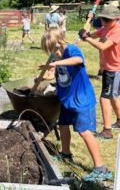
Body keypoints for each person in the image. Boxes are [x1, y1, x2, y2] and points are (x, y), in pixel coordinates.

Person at [41, 27, 112, 182]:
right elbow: (54, 73)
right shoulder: (56, 56)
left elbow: (78, 60)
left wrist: (57, 62)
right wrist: (44, 75)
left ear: (60, 42)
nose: (52, 53)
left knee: (84, 132)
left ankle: (101, 168)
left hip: (81, 99)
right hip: (67, 98)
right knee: (63, 125)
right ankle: (66, 154)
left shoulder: (72, 50)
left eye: (53, 48)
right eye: (49, 50)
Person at [79, 3, 120, 140]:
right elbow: (90, 36)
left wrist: (88, 38)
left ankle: (107, 131)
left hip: (114, 69)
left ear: (116, 19)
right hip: (108, 68)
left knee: (105, 98)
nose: (105, 21)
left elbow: (102, 47)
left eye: (108, 20)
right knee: (113, 97)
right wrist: (86, 31)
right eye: (103, 19)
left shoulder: (117, 31)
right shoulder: (104, 28)